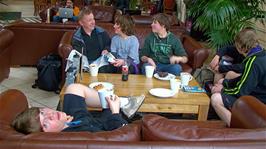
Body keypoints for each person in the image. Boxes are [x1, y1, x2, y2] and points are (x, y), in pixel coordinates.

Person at [12, 83, 145, 134]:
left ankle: (123, 102)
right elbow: (122, 135)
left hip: (73, 121)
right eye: (45, 123)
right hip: (111, 123)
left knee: (73, 88)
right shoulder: (81, 135)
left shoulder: (63, 122)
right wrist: (114, 111)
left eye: (42, 112)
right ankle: (123, 104)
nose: (50, 115)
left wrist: (65, 121)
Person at [211, 28, 266, 126]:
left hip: (257, 103)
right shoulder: (261, 54)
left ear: (243, 47)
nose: (235, 47)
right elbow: (244, 80)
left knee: (215, 99)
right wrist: (224, 83)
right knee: (222, 81)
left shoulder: (253, 62)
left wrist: (222, 90)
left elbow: (241, 92)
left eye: (236, 45)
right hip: (257, 95)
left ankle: (238, 129)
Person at [71, 7, 115, 73]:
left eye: (93, 19)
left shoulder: (101, 32)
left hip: (101, 62)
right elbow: (80, 57)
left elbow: (108, 44)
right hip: (87, 64)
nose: (93, 22)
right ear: (81, 23)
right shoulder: (77, 38)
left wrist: (106, 49)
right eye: (89, 20)